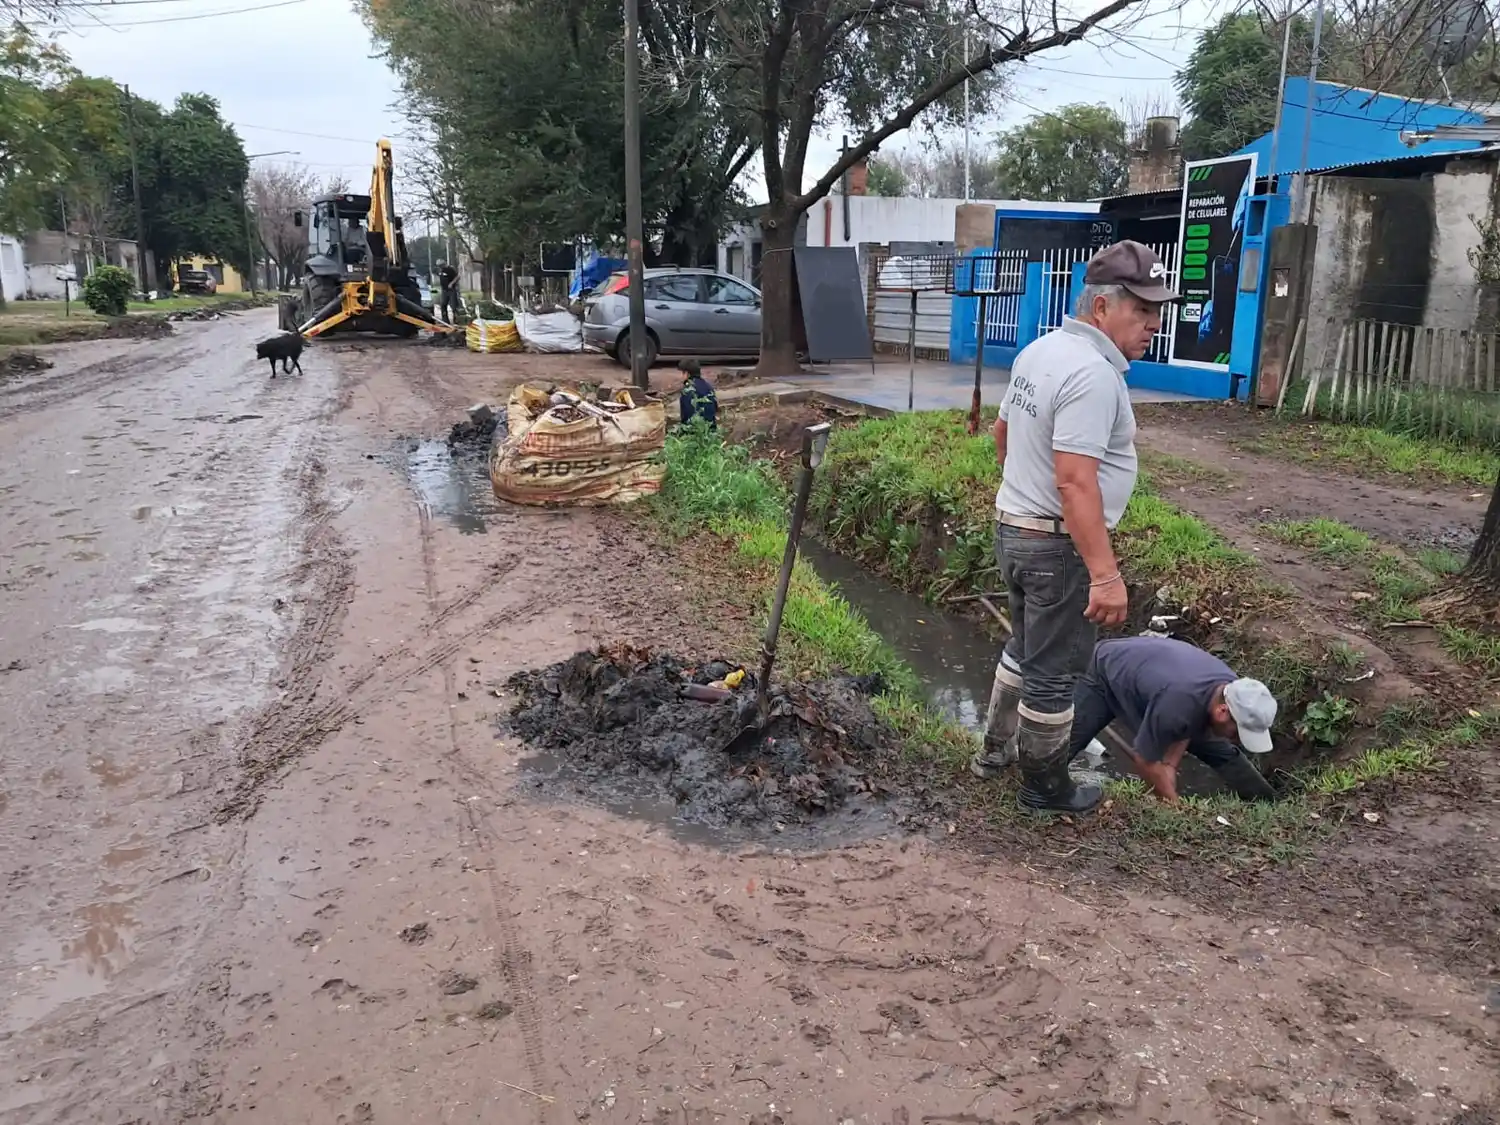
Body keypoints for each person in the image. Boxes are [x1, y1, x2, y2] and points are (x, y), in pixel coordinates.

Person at [971, 241, 1178, 813]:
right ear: (1103, 307)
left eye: (1156, 313)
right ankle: (1044, 785)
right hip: (1056, 546)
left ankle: (994, 751)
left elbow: (1003, 436)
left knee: (1025, 648)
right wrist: (1105, 576)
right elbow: (1076, 482)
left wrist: (1024, 498)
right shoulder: (1092, 374)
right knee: (1055, 673)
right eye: (1142, 312)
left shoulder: (1040, 351)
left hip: (1015, 530)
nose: (1153, 326)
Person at [1069, 635, 1279, 802]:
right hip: (1102, 672)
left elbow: (1183, 731)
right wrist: (1173, 807)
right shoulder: (1178, 705)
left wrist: (1168, 767)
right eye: (1237, 733)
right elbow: (1146, 759)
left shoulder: (1230, 691)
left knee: (1222, 752)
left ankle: (1267, 803)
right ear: (1222, 712)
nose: (1237, 739)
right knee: (1064, 745)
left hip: (1156, 681)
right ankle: (1040, 791)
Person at [678, 359, 718, 429]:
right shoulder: (708, 387)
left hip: (695, 430)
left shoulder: (688, 390)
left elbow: (687, 415)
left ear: (687, 374)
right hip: (711, 429)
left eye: (681, 373)